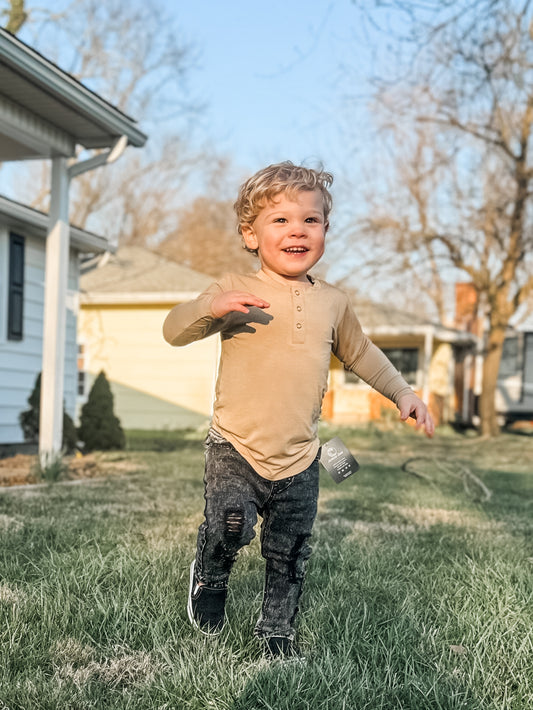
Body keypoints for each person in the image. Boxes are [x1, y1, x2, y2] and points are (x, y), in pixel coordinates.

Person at [162, 161, 434, 659]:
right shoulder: (232, 289)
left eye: (310, 220)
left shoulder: (333, 302)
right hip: (235, 446)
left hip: (302, 457)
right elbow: (174, 330)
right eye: (280, 220)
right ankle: (212, 572)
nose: (297, 231)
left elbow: (362, 353)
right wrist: (212, 307)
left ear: (326, 230)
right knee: (230, 524)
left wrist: (403, 393)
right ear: (251, 234)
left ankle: (277, 629)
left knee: (289, 550)